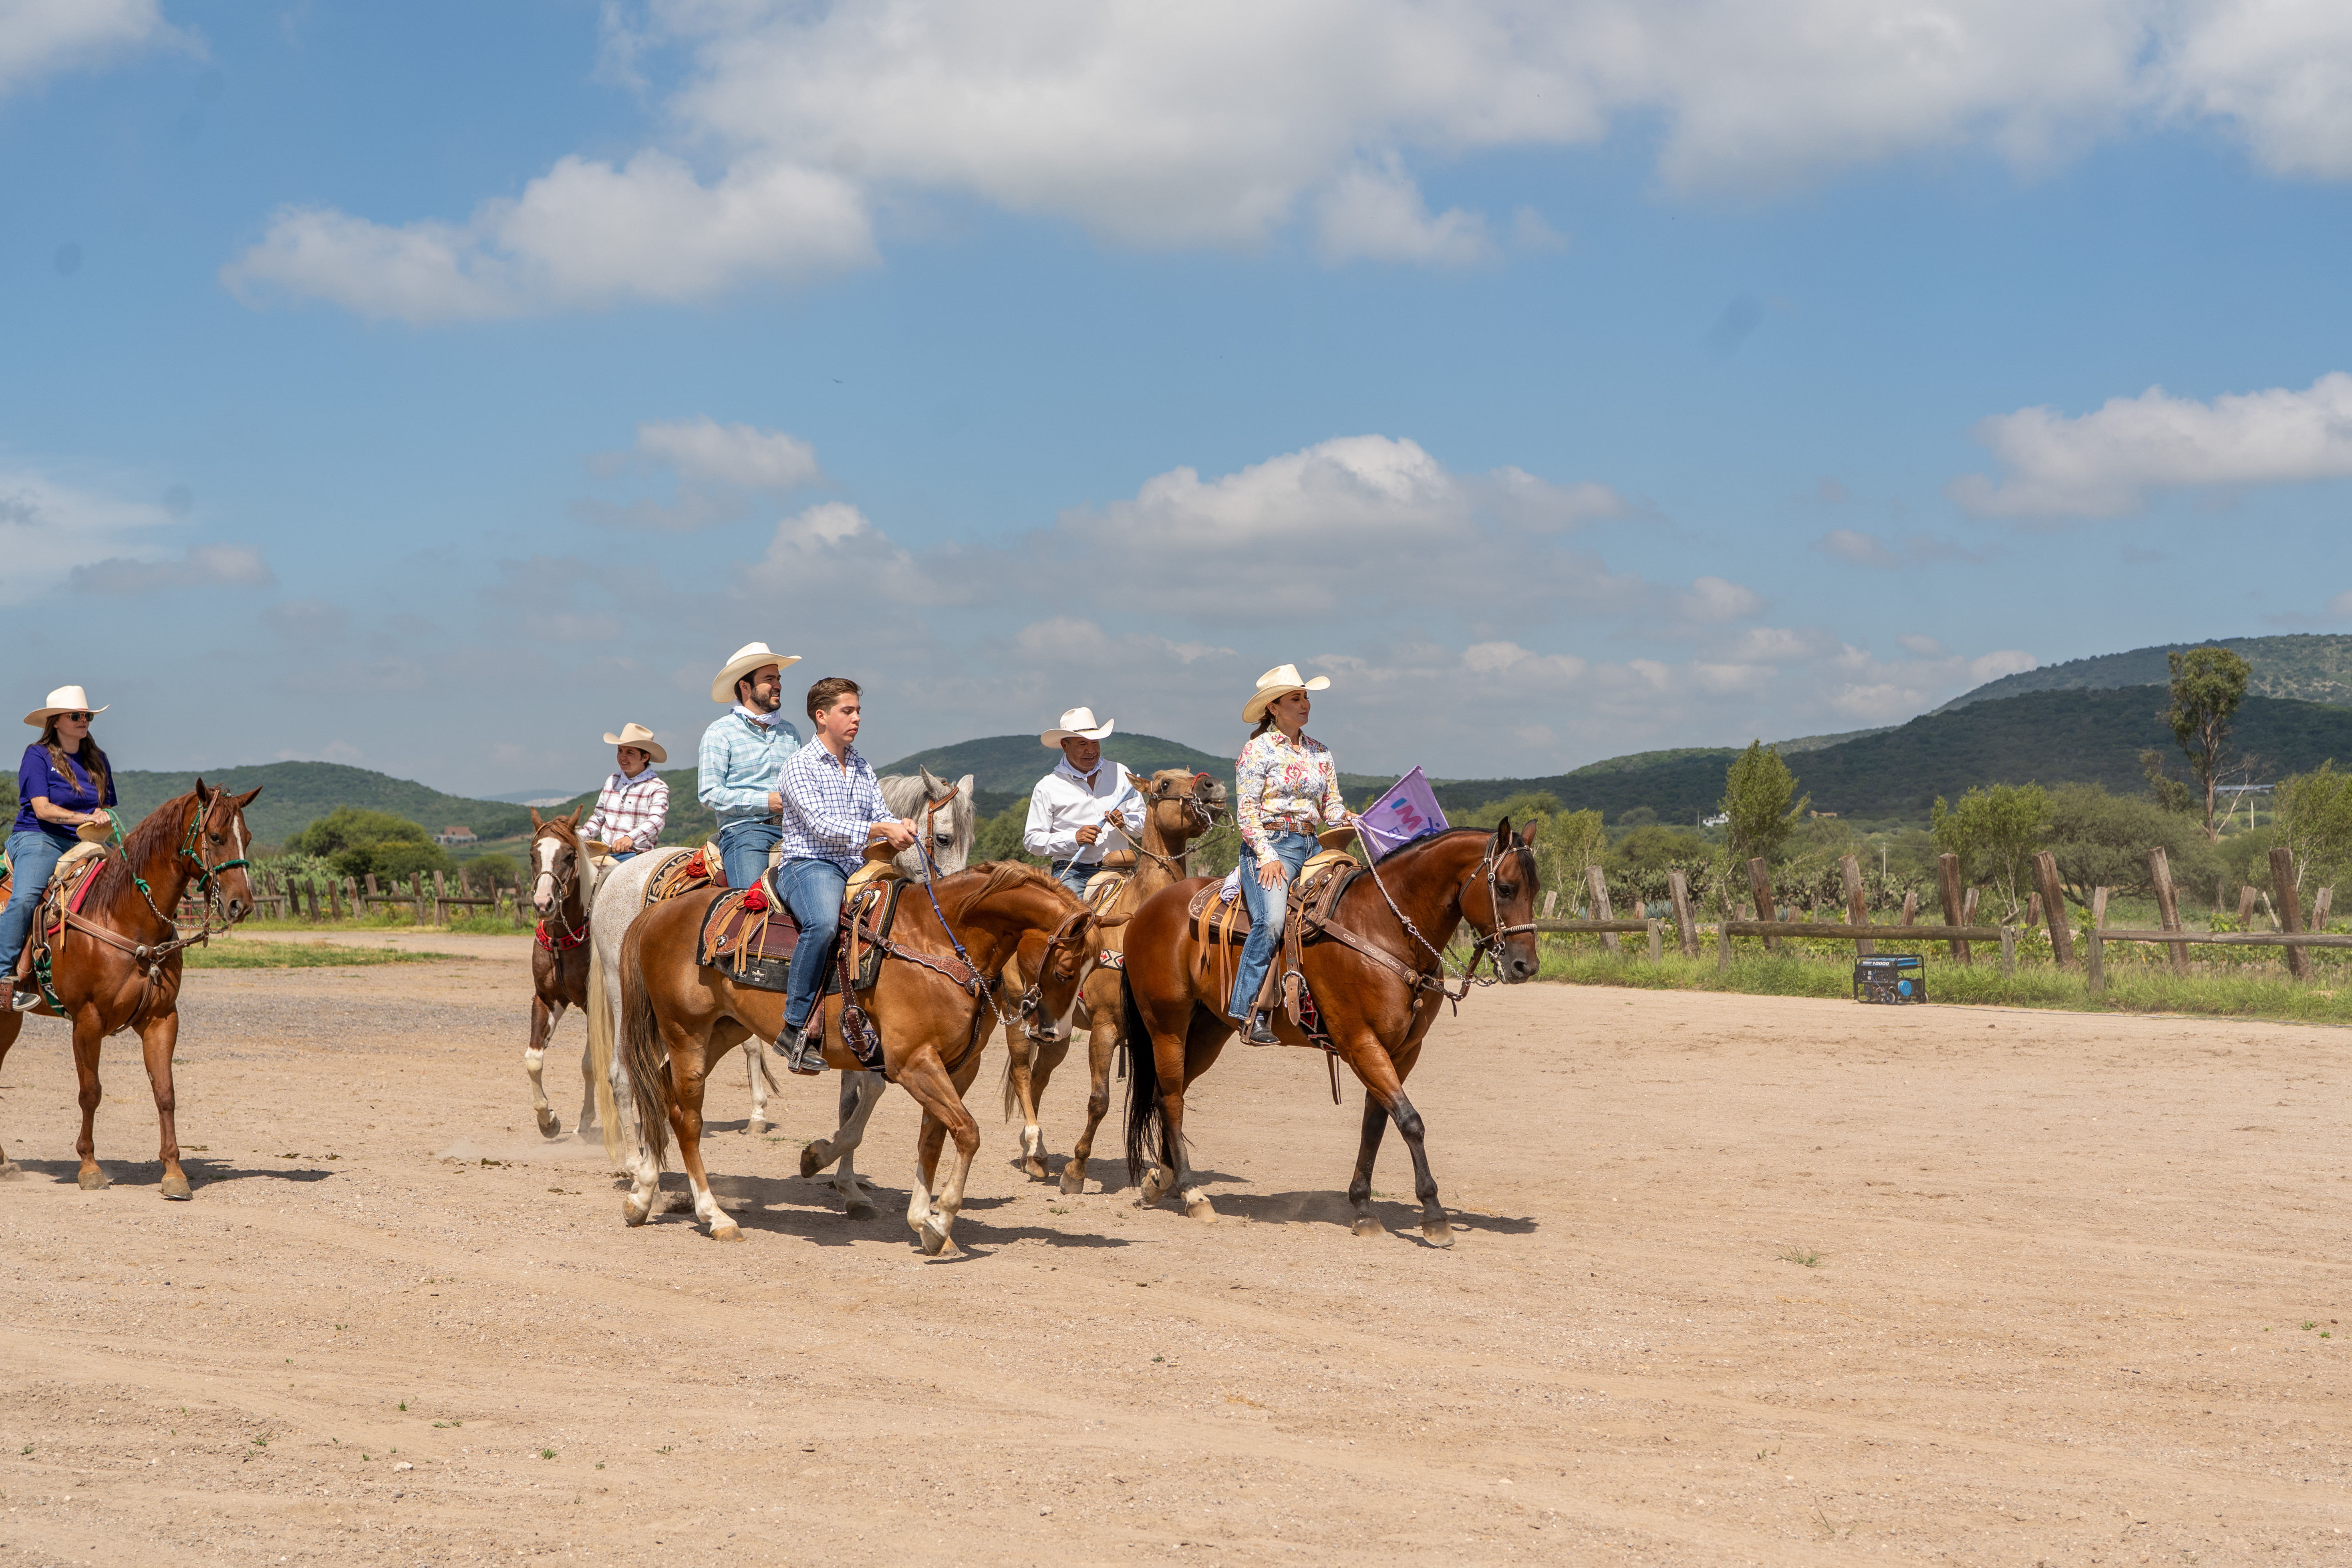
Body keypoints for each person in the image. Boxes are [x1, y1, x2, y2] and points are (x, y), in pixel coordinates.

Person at [770, 677, 918, 1075]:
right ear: (821, 716)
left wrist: (898, 825)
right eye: (847, 711)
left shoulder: (860, 764)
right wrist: (880, 831)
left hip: (857, 866)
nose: (856, 719)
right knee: (820, 925)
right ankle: (794, 1027)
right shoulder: (799, 766)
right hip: (810, 865)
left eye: (858, 711)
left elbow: (878, 813)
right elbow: (820, 825)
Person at [1228, 664, 1351, 1046]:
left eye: (1306, 697)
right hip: (1269, 845)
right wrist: (1267, 856)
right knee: (1272, 920)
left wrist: (1352, 818)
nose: (1305, 704)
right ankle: (1248, 1011)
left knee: (1351, 907)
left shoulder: (1321, 752)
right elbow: (1246, 811)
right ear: (1274, 707)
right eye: (1296, 698)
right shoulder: (1257, 749)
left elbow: (1332, 808)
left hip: (1314, 844)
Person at [3, 685, 118, 1011]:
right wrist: (85, 816)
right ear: (56, 722)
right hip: (40, 836)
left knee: (130, 879)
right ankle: (2, 977)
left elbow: (107, 808)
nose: (85, 721)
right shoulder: (37, 755)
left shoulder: (99, 760)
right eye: (77, 716)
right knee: (25, 897)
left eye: (88, 716)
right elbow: (42, 809)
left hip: (87, 840)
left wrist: (103, 817)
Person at [696, 642, 803, 892]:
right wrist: (767, 802)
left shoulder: (791, 732)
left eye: (778, 678)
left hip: (795, 832)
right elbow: (709, 793)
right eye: (769, 679)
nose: (778, 685)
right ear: (745, 686)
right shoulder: (720, 732)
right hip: (746, 832)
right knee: (751, 905)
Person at [1024, 706, 1144, 898]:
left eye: (1095, 743)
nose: (1091, 750)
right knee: (1073, 924)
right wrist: (1074, 839)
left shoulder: (1121, 773)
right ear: (1065, 746)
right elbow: (1032, 841)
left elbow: (1145, 824)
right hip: (1074, 872)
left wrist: (1126, 822)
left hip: (1123, 869)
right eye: (1082, 744)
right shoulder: (1047, 787)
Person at [580, 723, 669, 863]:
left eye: (630, 753)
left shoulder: (657, 787)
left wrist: (630, 838)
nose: (622, 757)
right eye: (620, 751)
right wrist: (577, 838)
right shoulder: (612, 780)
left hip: (636, 856)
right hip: (604, 855)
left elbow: (656, 821)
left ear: (645, 757)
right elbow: (598, 818)